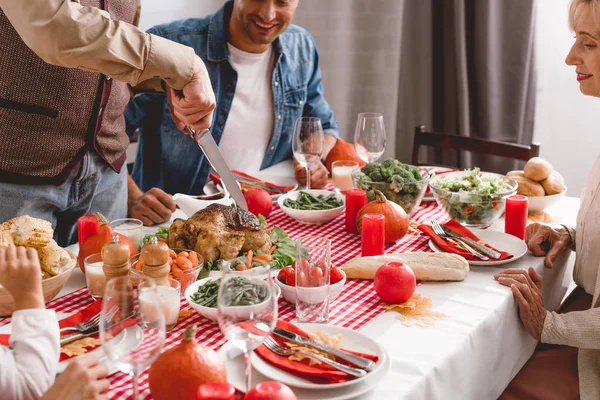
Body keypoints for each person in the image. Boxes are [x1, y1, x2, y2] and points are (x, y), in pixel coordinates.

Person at [0, 0, 216, 246]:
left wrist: (165, 80)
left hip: (107, 176)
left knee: (117, 284)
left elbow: (107, 50)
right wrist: (184, 66)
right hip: (16, 173)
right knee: (22, 285)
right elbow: (53, 26)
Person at [124, 0, 339, 225]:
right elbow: (104, 136)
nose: (268, 14)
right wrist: (133, 198)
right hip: (175, 221)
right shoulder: (169, 45)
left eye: (282, 2)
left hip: (266, 215)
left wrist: (312, 159)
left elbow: (323, 124)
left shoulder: (301, 47)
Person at [494, 1, 600, 398]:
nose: (570, 56)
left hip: (592, 352)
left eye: (588, 44)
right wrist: (568, 233)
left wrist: (550, 326)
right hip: (583, 313)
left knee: (492, 384)